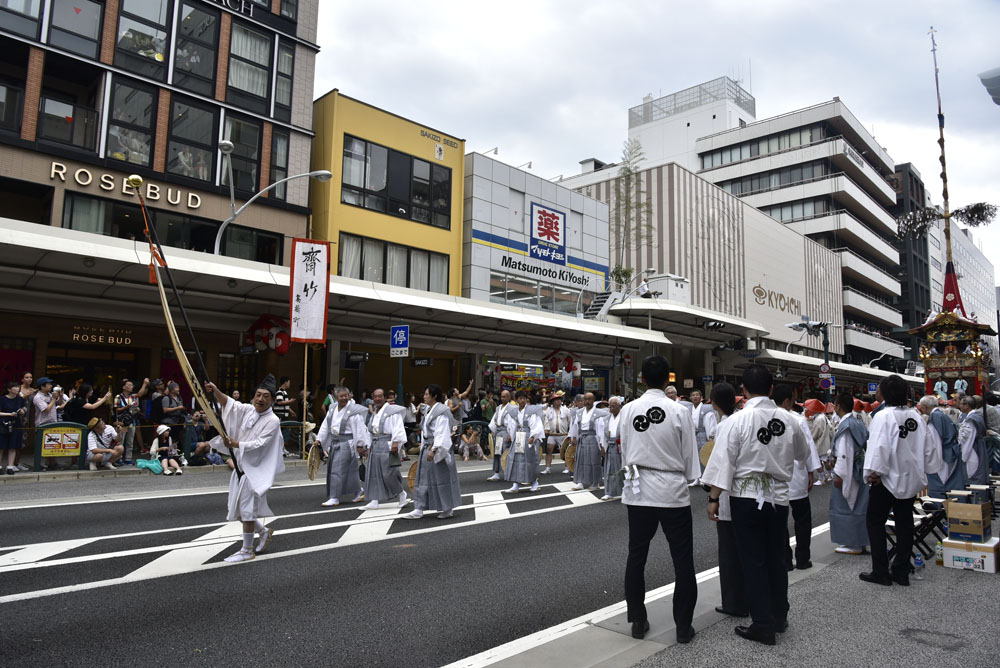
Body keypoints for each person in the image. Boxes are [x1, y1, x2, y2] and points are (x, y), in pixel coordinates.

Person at [702, 364, 811, 646]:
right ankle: (779, 615)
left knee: (753, 560)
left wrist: (714, 498)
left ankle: (763, 623)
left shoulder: (737, 421)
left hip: (746, 496)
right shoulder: (789, 419)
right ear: (772, 389)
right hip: (778, 497)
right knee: (777, 556)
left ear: (744, 391)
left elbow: (724, 461)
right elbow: (801, 453)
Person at [618, 355, 700, 643]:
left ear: (642, 380)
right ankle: (683, 626)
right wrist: (687, 476)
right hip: (672, 490)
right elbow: (690, 456)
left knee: (636, 556)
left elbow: (625, 448)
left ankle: (638, 621)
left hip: (639, 489)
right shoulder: (679, 411)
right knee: (682, 558)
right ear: (668, 380)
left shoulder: (628, 410)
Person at [861, 376, 941, 587]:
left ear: (885, 394)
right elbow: (929, 448)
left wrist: (873, 472)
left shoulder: (883, 416)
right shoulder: (917, 416)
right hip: (910, 477)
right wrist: (928, 469)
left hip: (886, 479)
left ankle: (881, 571)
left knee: (874, 522)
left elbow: (879, 447)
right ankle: (901, 570)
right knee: (905, 524)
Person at [204, 375, 284, 563]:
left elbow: (259, 443)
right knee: (239, 511)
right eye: (258, 395)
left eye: (265, 396)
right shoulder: (248, 410)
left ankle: (247, 550)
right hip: (241, 466)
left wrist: (236, 443)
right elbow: (229, 403)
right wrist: (215, 390)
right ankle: (263, 531)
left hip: (255, 469)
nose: (261, 399)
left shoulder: (273, 420)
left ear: (272, 400)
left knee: (247, 511)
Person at [773, 386, 821, 571]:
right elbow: (807, 447)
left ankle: (784, 559)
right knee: (802, 519)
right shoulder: (797, 420)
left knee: (780, 522)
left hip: (776, 476)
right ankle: (803, 558)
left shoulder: (765, 418)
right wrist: (811, 471)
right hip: (796, 472)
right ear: (787, 401)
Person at [403, 384, 462, 519]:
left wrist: (434, 449)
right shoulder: (429, 410)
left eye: (426, 394)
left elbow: (441, 432)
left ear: (434, 396)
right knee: (422, 478)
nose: (424, 396)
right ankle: (419, 507)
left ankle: (447, 508)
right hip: (427, 447)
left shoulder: (442, 411)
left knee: (441, 479)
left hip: (436, 448)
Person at [829, 393, 870, 555]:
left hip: (849, 469)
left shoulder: (846, 426)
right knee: (859, 504)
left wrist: (840, 474)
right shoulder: (857, 423)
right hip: (858, 468)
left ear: (838, 406)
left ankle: (852, 543)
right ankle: (859, 539)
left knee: (847, 504)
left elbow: (845, 452)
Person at [316, 386, 369, 507]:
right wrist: (319, 439)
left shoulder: (354, 410)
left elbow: (360, 428)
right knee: (349, 470)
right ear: (336, 397)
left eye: (346, 395)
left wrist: (360, 444)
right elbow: (325, 425)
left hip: (347, 443)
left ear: (350, 395)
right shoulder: (332, 408)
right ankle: (358, 491)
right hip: (335, 442)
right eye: (341, 396)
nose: (344, 398)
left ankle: (335, 497)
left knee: (337, 470)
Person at [363, 388, 408, 510]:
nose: (377, 399)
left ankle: (402, 494)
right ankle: (374, 499)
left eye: (380, 396)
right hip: (375, 445)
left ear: (384, 397)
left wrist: (396, 442)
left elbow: (398, 427)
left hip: (387, 444)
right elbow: (369, 431)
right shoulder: (374, 413)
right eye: (375, 397)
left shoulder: (392, 411)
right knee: (373, 473)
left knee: (389, 474)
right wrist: (368, 446)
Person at [917, 395, 965, 498]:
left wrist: (935, 462)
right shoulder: (940, 414)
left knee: (941, 483)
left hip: (943, 455)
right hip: (949, 451)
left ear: (925, 406)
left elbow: (935, 441)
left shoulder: (935, 416)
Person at [502, 390, 545, 493]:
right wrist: (511, 437)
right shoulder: (514, 412)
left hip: (528, 436)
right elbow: (512, 426)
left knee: (529, 460)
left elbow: (536, 424)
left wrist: (533, 436)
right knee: (514, 459)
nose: (522, 400)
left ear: (526, 399)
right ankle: (515, 484)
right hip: (518, 437)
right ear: (516, 400)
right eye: (520, 398)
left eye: (524, 398)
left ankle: (534, 482)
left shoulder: (531, 411)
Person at [568, 392, 608, 491]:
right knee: (580, 460)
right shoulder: (579, 412)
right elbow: (575, 425)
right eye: (585, 399)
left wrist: (602, 443)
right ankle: (580, 481)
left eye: (590, 399)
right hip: (582, 438)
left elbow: (600, 429)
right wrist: (573, 436)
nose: (587, 401)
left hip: (593, 438)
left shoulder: (599, 413)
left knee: (594, 460)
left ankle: (595, 482)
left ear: (593, 400)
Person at [115, 378, 149, 464]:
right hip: (122, 423)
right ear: (124, 387)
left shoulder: (132, 397)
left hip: (131, 421)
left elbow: (140, 395)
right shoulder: (118, 397)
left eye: (132, 385)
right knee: (120, 441)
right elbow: (116, 410)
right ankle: (118, 458)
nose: (131, 387)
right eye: (129, 385)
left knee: (130, 441)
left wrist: (136, 409)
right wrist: (126, 407)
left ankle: (128, 458)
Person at [957, 396, 989, 484]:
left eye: (961, 404)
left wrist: (963, 455)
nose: (959, 406)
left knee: (973, 472)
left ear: (967, 405)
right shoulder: (976, 416)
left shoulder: (971, 419)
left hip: (973, 448)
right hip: (977, 446)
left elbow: (968, 439)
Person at [598, 396, 623, 500]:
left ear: (619, 406)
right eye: (610, 406)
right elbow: (602, 434)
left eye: (614, 406)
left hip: (621, 447)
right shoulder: (606, 418)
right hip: (610, 446)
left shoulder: (625, 417)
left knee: (621, 469)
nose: (611, 408)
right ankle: (609, 492)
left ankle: (623, 491)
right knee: (609, 469)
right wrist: (603, 446)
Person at [486, 389, 515, 481]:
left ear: (509, 397)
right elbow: (494, 419)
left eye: (504, 396)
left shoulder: (512, 408)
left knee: (506, 452)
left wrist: (511, 434)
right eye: (501, 396)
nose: (502, 398)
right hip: (498, 432)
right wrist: (493, 430)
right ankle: (496, 473)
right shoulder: (498, 408)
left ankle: (509, 472)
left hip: (506, 431)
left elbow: (512, 422)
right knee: (497, 452)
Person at [1, 380, 27, 474]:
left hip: (16, 424)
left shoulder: (20, 399)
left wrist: (22, 411)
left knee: (13, 446)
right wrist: (9, 414)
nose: (17, 388)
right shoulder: (3, 399)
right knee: (1, 446)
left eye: (17, 387)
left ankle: (10, 467)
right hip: (4, 424)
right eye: (14, 387)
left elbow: (24, 409)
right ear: (9, 389)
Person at [542, 392, 571, 475]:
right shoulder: (548, 411)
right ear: (552, 402)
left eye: (559, 400)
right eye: (555, 400)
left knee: (566, 451)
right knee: (548, 451)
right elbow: (545, 421)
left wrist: (571, 433)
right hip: (552, 434)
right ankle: (547, 468)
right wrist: (545, 429)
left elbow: (570, 422)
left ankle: (567, 467)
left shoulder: (566, 410)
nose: (557, 402)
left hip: (564, 434)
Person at [160, 382, 187, 455]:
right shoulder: (166, 398)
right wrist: (177, 408)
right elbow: (165, 410)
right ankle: (170, 454)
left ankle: (178, 454)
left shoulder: (179, 398)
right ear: (171, 390)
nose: (179, 389)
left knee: (179, 439)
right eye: (177, 388)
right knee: (171, 439)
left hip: (179, 422)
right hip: (170, 422)